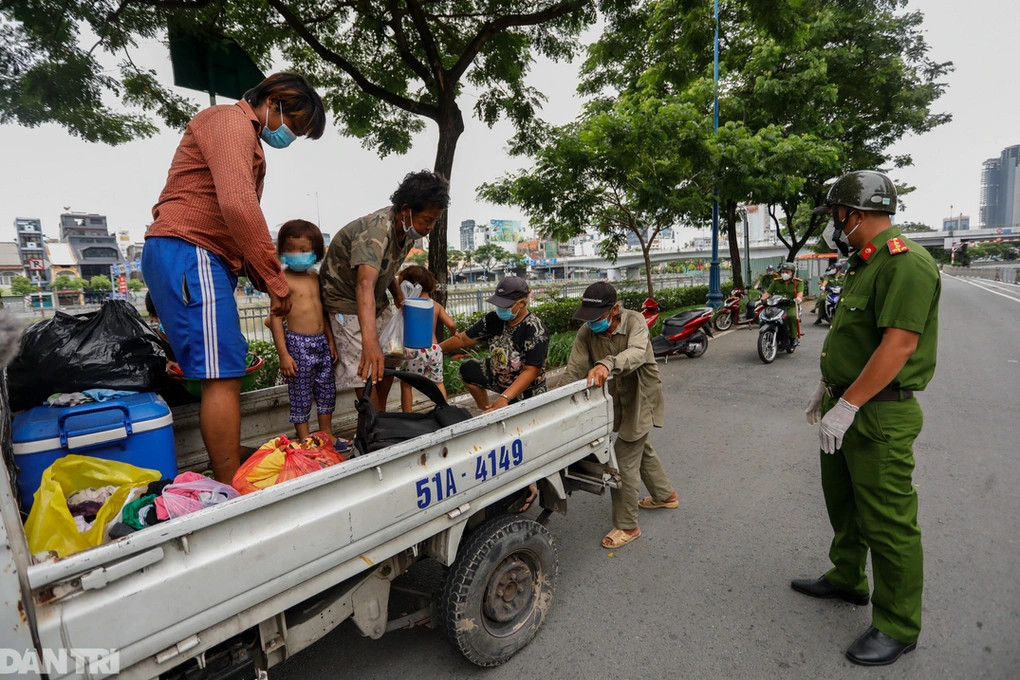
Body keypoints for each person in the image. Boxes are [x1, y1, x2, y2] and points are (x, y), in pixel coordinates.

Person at [142, 72, 325, 483]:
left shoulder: (244, 137)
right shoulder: (229, 122)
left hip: (197, 255)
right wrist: (276, 282)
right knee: (222, 373)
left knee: (221, 366)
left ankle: (227, 460)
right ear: (274, 101)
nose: (290, 137)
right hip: (192, 251)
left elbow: (236, 222)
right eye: (294, 126)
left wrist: (262, 278)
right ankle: (228, 481)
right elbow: (239, 207)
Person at [797, 170, 940, 666]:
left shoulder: (906, 263)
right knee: (844, 502)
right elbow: (854, 339)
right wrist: (828, 388)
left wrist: (850, 405)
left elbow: (898, 345)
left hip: (878, 414)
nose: (833, 225)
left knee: (888, 521)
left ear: (855, 215)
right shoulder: (864, 263)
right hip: (848, 405)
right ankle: (847, 578)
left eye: (836, 216)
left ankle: (898, 625)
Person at [318, 171, 450, 411]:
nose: (429, 228)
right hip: (344, 301)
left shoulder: (409, 233)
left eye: (434, 222)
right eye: (427, 220)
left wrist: (398, 295)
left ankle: (380, 415)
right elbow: (364, 284)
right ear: (405, 210)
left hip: (374, 300)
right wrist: (369, 342)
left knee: (392, 353)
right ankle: (373, 423)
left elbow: (387, 268)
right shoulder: (376, 231)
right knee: (366, 362)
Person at [562, 282, 677, 550]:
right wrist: (556, 402)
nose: (592, 324)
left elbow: (636, 354)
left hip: (641, 397)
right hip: (615, 399)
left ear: (615, 309)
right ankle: (665, 495)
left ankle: (628, 526)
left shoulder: (636, 322)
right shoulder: (587, 331)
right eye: (588, 318)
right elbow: (574, 369)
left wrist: (607, 362)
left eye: (598, 318)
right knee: (640, 447)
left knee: (624, 459)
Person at [267, 220, 337, 442]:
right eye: (290, 249)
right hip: (298, 344)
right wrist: (284, 355)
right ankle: (305, 440)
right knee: (301, 394)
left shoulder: (316, 278)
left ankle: (326, 436)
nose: (297, 254)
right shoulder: (282, 282)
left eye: (304, 250)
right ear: (281, 251)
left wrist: (331, 341)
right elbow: (276, 319)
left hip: (321, 343)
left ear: (315, 252)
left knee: (326, 389)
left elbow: (323, 313)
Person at [439, 276, 547, 411]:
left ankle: (510, 400)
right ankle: (486, 409)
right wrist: (435, 349)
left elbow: (531, 371)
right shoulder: (492, 320)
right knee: (468, 369)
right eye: (499, 304)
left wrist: (505, 398)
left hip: (527, 387)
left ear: (521, 303)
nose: (501, 308)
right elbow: (464, 339)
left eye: (505, 305)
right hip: (499, 376)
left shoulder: (534, 329)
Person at [395, 266, 457, 412]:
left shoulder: (407, 306)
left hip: (413, 350)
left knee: (406, 384)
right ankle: (444, 410)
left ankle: (408, 415)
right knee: (438, 382)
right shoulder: (435, 306)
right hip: (434, 349)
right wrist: (455, 333)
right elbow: (451, 324)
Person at [760, 261, 804, 346]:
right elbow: (768, 293)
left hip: (791, 306)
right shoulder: (776, 281)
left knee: (791, 317)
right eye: (783, 272)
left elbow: (800, 292)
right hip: (777, 306)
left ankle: (794, 337)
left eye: (787, 272)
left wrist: (798, 298)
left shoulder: (798, 282)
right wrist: (762, 300)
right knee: (764, 317)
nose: (784, 274)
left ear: (792, 273)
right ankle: (766, 336)